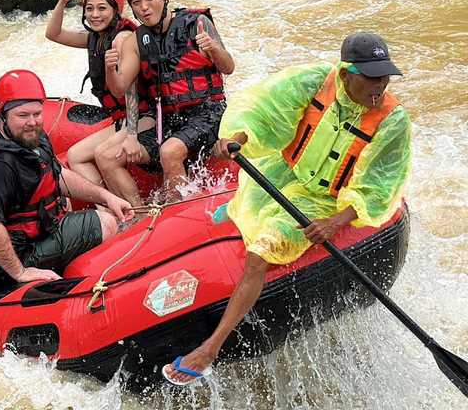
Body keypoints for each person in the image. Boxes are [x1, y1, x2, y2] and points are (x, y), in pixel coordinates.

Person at [162, 32, 412, 385]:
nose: (380, 84)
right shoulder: (315, 81)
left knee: (259, 253)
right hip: (285, 174)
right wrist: (239, 137)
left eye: (384, 75)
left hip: (327, 199)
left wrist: (334, 221)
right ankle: (238, 214)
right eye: (371, 76)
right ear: (345, 74)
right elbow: (263, 107)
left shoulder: (393, 119)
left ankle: (209, 349)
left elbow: (380, 186)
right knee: (240, 210)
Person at [0, 70, 135, 286]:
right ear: (2, 115)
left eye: (37, 114)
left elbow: (58, 175)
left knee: (67, 203)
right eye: (22, 116)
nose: (32, 122)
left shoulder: (30, 136)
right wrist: (20, 272)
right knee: (105, 223)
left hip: (21, 237)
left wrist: (107, 197)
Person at [98, 0, 235, 206]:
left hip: (208, 114)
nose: (144, 7)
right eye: (137, 2)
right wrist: (110, 69)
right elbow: (119, 88)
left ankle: (179, 214)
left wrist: (213, 48)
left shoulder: (197, 23)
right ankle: (140, 219)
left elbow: (228, 67)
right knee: (109, 157)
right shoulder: (136, 40)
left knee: (169, 151)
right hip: (169, 123)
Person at [45, 0, 155, 193]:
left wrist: (131, 135)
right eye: (89, 9)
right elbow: (53, 34)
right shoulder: (95, 37)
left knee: (103, 154)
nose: (95, 15)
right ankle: (108, 206)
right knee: (76, 156)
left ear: (116, 11)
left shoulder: (123, 38)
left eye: (102, 8)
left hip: (144, 117)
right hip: (120, 119)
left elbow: (131, 90)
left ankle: (137, 211)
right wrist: (63, 1)